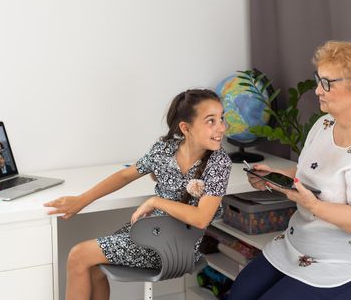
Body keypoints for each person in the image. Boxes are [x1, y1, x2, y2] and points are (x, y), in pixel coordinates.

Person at [228, 41, 351, 300]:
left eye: (327, 83)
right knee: (239, 293)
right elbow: (312, 175)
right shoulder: (325, 125)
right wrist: (275, 179)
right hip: (300, 245)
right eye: (318, 80)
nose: (317, 90)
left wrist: (313, 206)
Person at [44, 89, 232, 300]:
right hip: (148, 230)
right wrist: (81, 200)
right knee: (95, 269)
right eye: (211, 121)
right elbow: (125, 175)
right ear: (185, 128)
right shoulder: (163, 150)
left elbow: (201, 218)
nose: (221, 127)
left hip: (174, 246)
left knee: (78, 255)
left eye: (221, 118)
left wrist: (155, 201)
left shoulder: (219, 162)